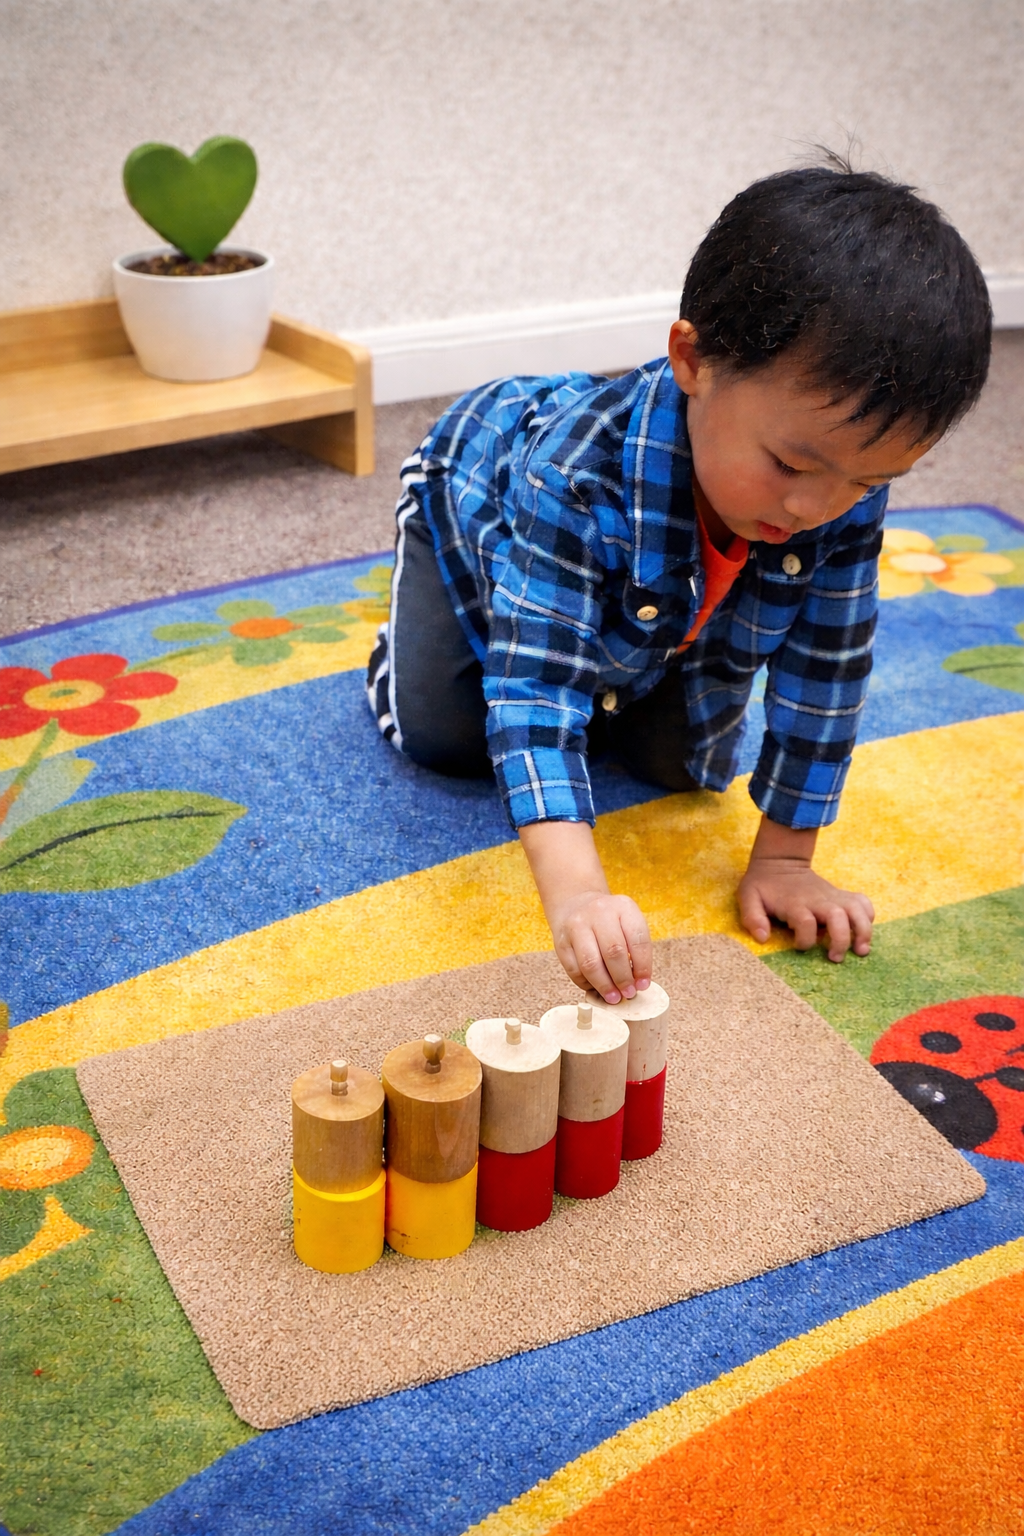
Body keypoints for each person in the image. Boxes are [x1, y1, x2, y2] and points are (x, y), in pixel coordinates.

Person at [367, 159, 992, 1006]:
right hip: (471, 508)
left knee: (685, 767)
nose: (815, 507)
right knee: (450, 738)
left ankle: (634, 666)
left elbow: (826, 675)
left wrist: (784, 860)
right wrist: (579, 895)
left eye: (867, 481)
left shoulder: (836, 489)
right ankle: (412, 630)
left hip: (661, 597)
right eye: (789, 463)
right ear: (693, 359)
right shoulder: (570, 474)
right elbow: (536, 689)